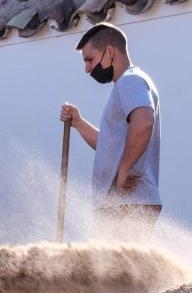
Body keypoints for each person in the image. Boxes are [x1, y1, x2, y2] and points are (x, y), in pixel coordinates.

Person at [60, 22, 161, 240]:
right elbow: (109, 146)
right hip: (125, 203)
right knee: (117, 272)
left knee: (116, 273)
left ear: (109, 52)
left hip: (126, 202)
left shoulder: (130, 81)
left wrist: (124, 168)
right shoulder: (128, 84)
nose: (87, 69)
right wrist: (78, 122)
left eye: (90, 59)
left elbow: (144, 121)